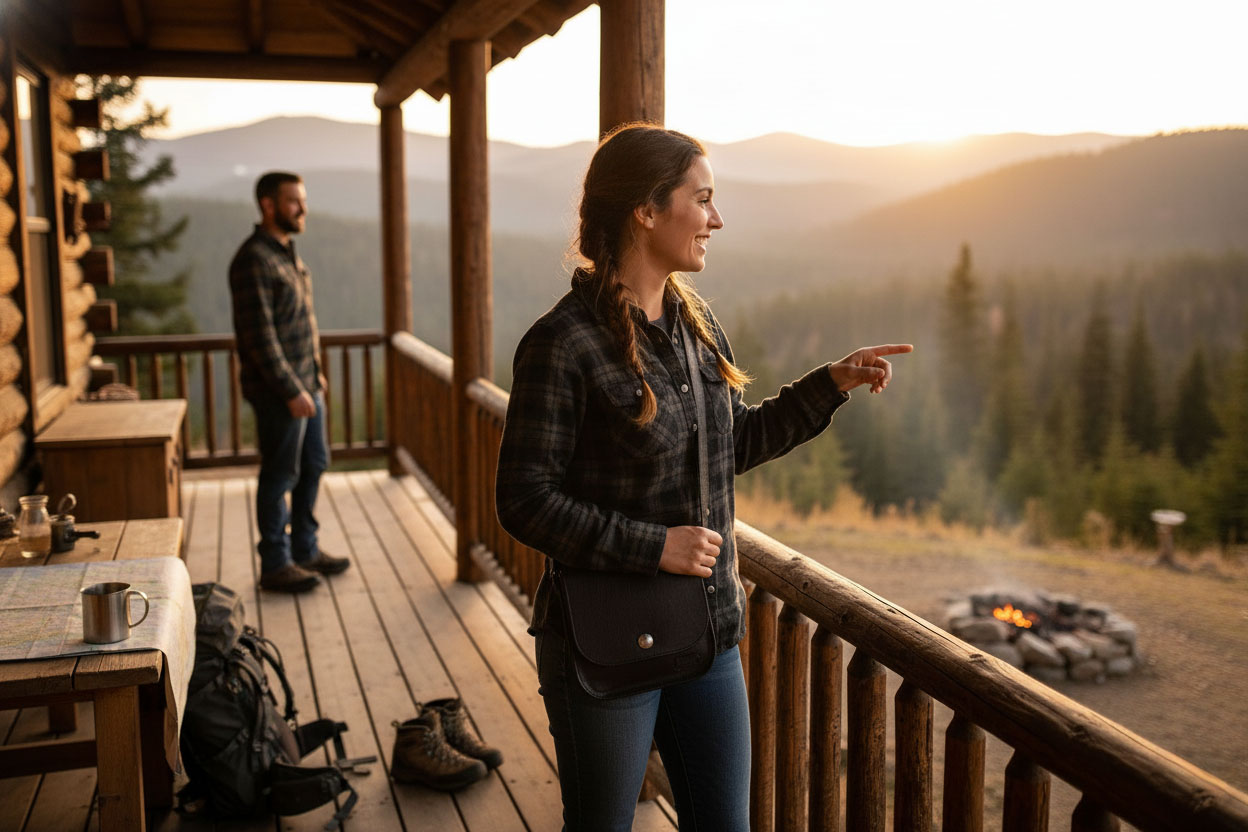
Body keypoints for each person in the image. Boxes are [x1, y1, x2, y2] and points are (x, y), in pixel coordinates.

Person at [495, 123, 912, 831]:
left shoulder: (695, 322)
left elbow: (731, 442)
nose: (716, 219)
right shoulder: (561, 343)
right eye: (704, 199)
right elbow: (524, 500)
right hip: (603, 645)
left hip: (709, 633)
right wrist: (651, 546)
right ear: (647, 211)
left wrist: (829, 384)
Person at [229, 171, 350, 593]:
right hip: (282, 393)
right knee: (280, 475)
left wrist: (313, 378)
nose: (303, 209)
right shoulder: (253, 261)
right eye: (294, 201)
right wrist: (293, 389)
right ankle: (275, 564)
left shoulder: (286, 255)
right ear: (268, 205)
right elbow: (260, 338)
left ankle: (305, 549)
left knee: (313, 465)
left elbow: (299, 327)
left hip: (305, 387)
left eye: (302, 200)